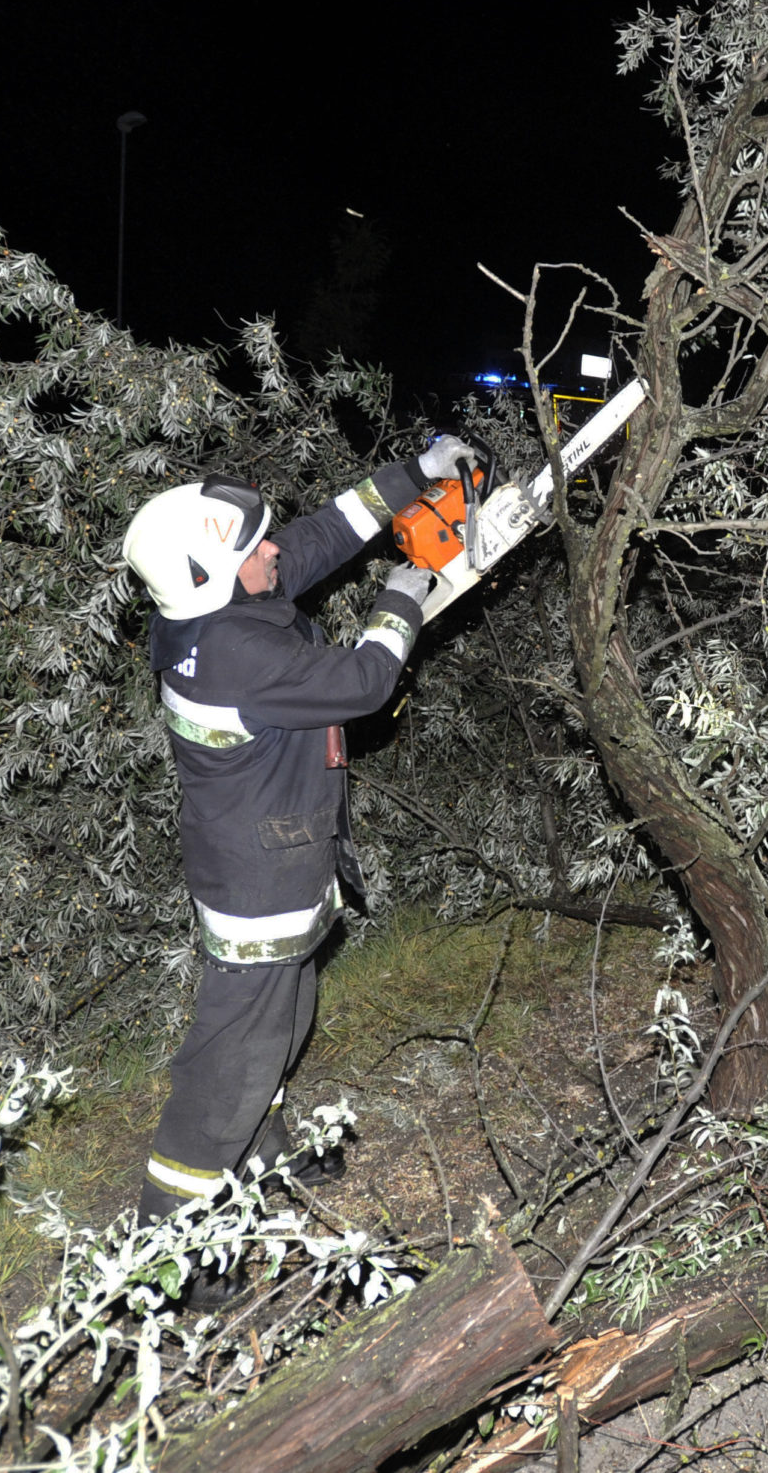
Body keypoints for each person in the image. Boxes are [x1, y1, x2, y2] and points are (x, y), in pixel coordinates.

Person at [118, 439, 474, 1226]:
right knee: (231, 1066)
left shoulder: (216, 607)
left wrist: (414, 477)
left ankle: (260, 1150)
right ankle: (171, 1235)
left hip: (272, 863)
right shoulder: (235, 656)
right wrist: (403, 598)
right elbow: (365, 681)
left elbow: (312, 538)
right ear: (213, 573)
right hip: (259, 887)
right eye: (255, 549)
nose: (273, 551)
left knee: (280, 1024)